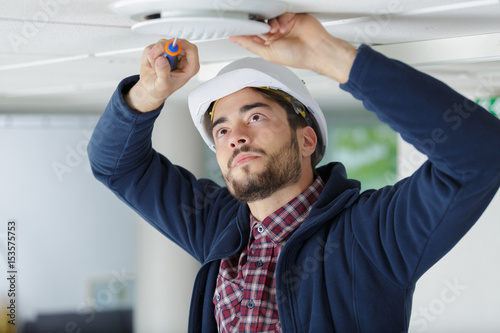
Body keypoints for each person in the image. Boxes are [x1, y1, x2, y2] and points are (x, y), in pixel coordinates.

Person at [88, 13, 500, 333]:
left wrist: (328, 55)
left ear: (306, 141)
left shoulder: (369, 235)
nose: (234, 137)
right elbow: (116, 165)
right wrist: (147, 93)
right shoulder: (218, 227)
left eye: (255, 116)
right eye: (222, 129)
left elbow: (480, 155)